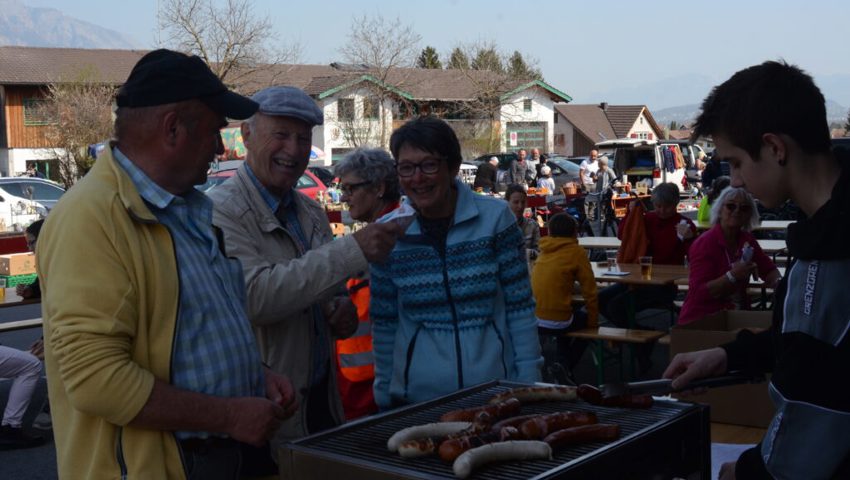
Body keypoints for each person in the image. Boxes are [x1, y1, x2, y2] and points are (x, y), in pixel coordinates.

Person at [38, 49, 297, 480]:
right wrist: (228, 415)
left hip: (226, 455)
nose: (219, 149)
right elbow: (96, 379)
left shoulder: (185, 209)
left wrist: (255, 375)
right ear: (173, 128)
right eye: (215, 132)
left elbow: (195, 331)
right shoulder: (92, 218)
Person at [664, 61, 850, 479]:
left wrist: (743, 474)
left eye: (735, 163)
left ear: (775, 148)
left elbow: (809, 417)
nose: (737, 182)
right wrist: (726, 355)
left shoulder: (835, 255)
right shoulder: (825, 226)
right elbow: (811, 344)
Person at [208, 86, 403, 444]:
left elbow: (316, 291)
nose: (294, 150)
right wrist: (352, 251)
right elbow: (255, 297)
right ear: (247, 135)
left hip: (321, 404)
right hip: (266, 412)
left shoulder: (309, 211)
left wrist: (336, 311)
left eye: (302, 138)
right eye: (281, 135)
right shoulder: (222, 211)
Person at [370, 116, 543, 409]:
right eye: (406, 168)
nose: (417, 178)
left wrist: (527, 381)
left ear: (452, 167)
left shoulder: (495, 219)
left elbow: (520, 307)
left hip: (496, 394)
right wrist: (385, 393)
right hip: (418, 400)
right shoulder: (388, 234)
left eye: (429, 165)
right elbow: (385, 322)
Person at [332, 148, 401, 420]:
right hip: (367, 383)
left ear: (379, 188)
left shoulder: (388, 238)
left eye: (350, 188)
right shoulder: (381, 232)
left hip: (369, 390)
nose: (344, 197)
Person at [598, 182, 696, 372]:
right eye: (658, 206)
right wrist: (630, 213)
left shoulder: (684, 224)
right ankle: (642, 338)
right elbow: (623, 235)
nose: (661, 210)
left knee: (617, 305)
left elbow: (694, 257)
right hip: (637, 280)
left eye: (666, 207)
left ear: (675, 204)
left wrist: (690, 238)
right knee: (600, 299)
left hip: (663, 286)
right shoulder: (648, 218)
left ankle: (640, 344)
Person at [678, 187, 781, 325]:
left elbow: (768, 270)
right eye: (731, 206)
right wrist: (732, 276)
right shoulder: (704, 243)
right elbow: (698, 293)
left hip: (736, 318)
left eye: (744, 208)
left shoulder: (747, 240)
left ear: (749, 215)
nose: (737, 211)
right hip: (703, 320)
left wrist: (780, 284)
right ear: (720, 210)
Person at [531, 213, 598, 375]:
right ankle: (565, 366)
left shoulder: (544, 249)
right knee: (585, 327)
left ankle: (561, 364)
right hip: (559, 320)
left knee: (566, 314)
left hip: (535, 319)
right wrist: (594, 321)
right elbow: (590, 290)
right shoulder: (576, 252)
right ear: (574, 232)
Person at [506, 184, 540, 260]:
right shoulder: (499, 226)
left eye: (523, 202)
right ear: (507, 203)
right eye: (516, 202)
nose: (520, 206)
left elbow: (538, 252)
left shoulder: (532, 225)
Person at [16, 219, 43, 300]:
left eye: (31, 243)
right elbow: (40, 284)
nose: (30, 248)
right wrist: (30, 290)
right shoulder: (45, 262)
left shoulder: (59, 262)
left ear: (43, 239)